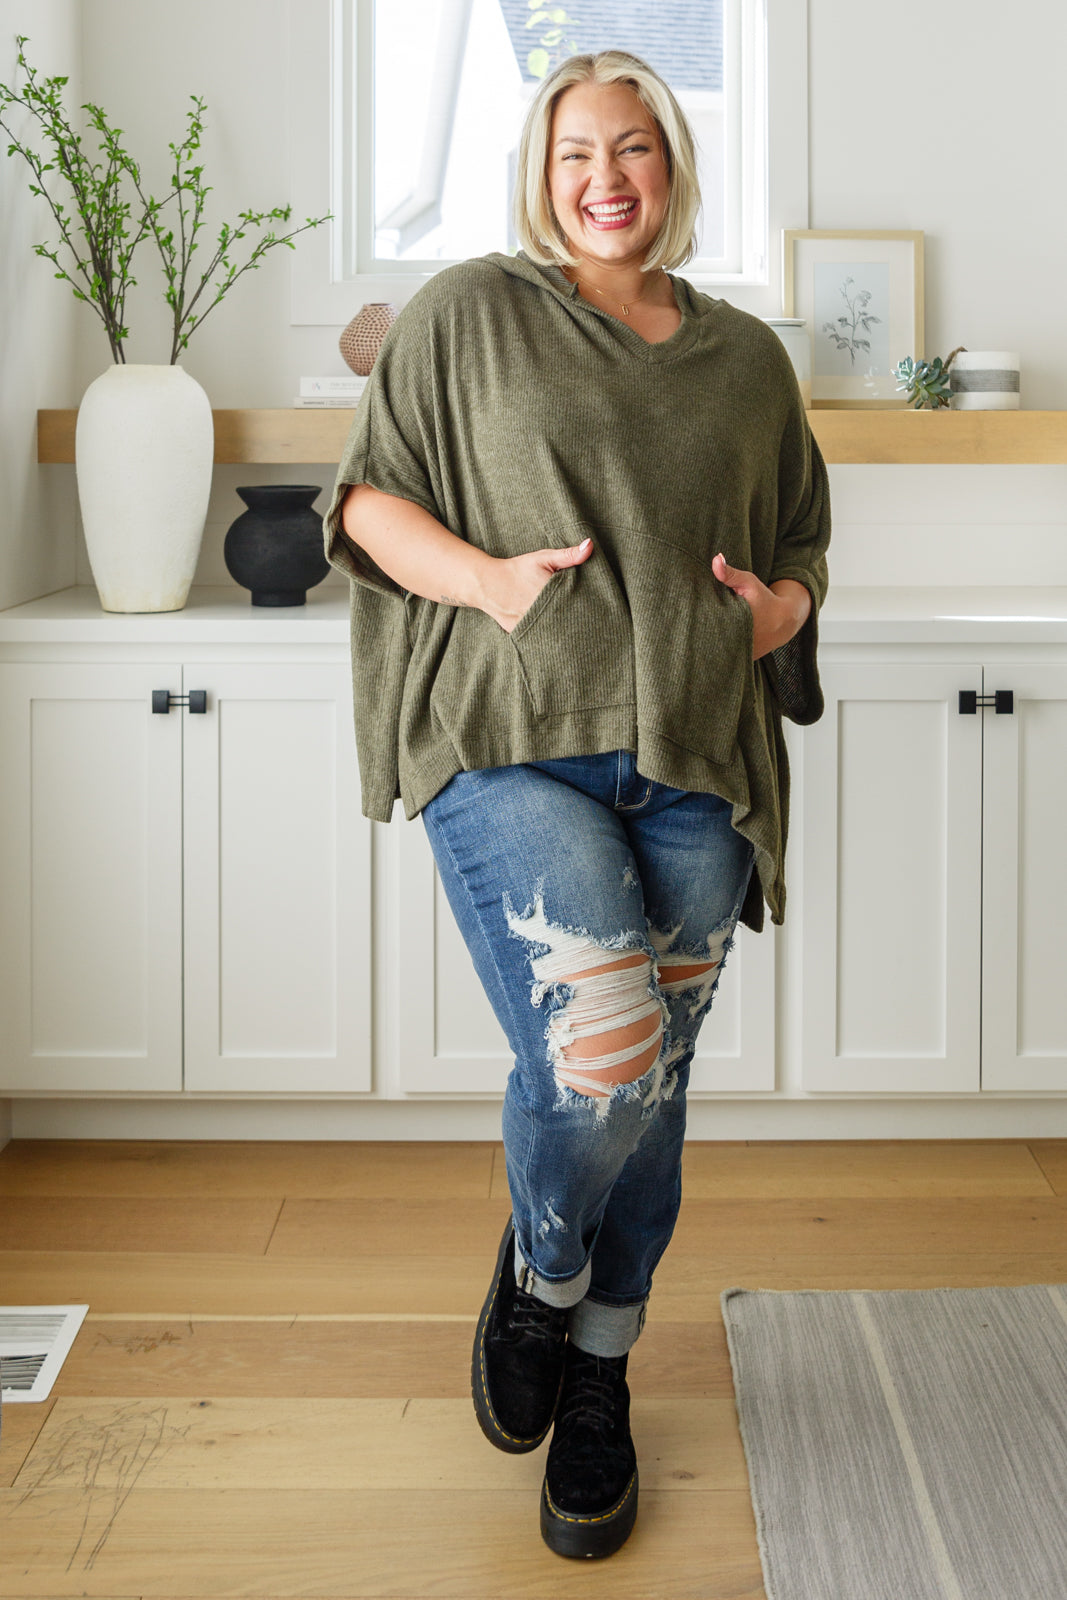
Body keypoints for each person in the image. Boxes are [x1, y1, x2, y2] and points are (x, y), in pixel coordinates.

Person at [323, 49, 830, 1561]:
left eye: (635, 149)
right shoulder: (469, 312)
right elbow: (365, 499)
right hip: (510, 739)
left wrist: (780, 612)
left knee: (654, 1082)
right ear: (540, 177)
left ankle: (601, 1370)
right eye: (575, 155)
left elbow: (804, 538)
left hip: (695, 755)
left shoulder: (747, 359)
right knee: (605, 1057)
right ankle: (545, 1274)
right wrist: (487, 583)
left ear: (674, 165)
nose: (607, 179)